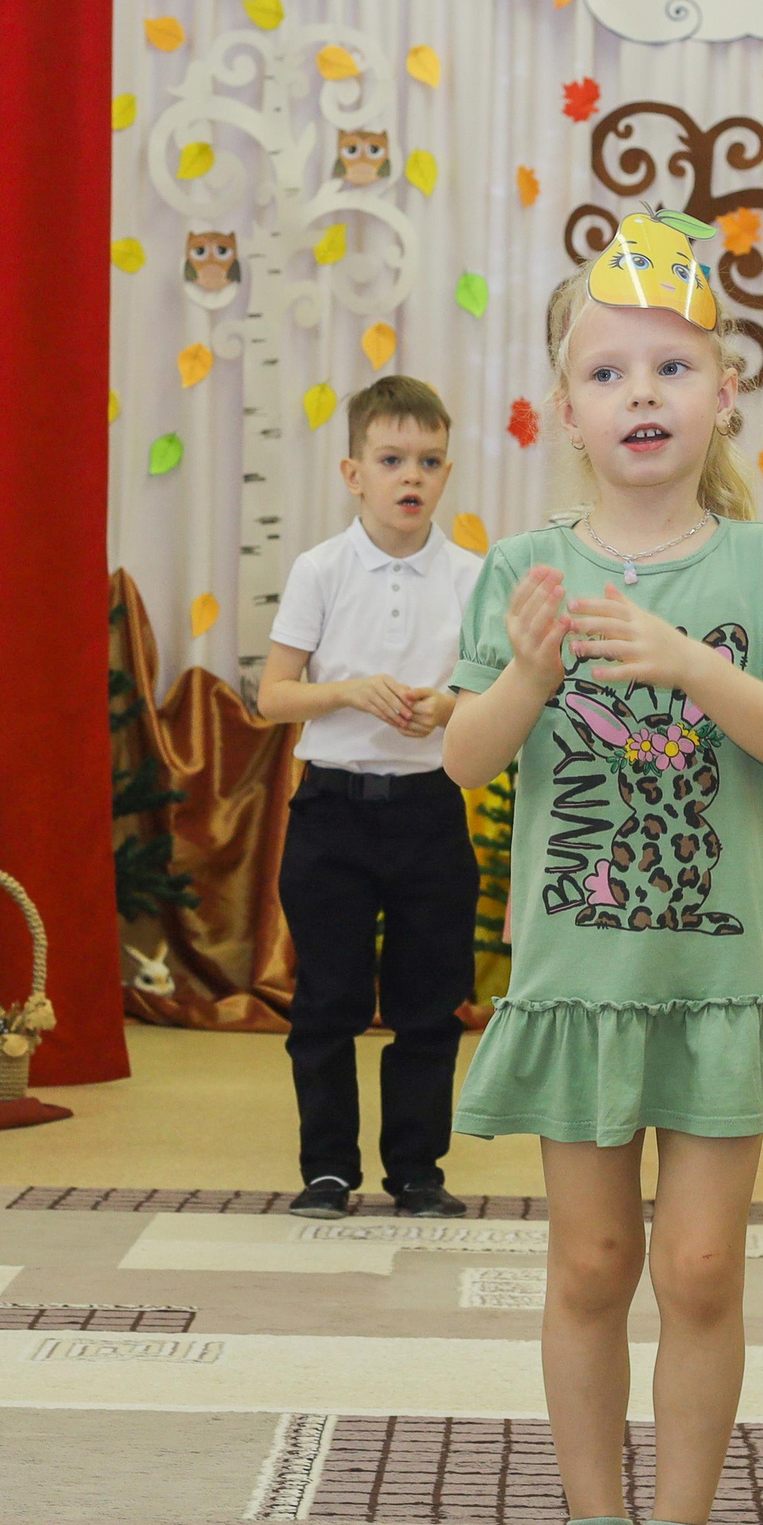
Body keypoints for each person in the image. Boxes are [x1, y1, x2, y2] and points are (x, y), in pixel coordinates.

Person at [441, 214, 763, 1525]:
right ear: (566, 405)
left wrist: (683, 660)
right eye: (610, 373)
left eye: (674, 365)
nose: (644, 395)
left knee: (705, 1264)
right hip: (585, 973)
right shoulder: (520, 569)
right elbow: (467, 758)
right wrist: (535, 667)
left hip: (723, 975)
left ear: (725, 389)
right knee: (592, 1259)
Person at [255, 374, 481, 1222]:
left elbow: (490, 690)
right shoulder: (320, 569)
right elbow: (274, 696)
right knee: (329, 1000)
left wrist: (449, 706)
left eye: (426, 460)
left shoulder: (471, 573)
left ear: (447, 472)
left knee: (429, 1003)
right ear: (355, 473)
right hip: (332, 813)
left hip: (429, 811)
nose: (409, 476)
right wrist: (348, 692)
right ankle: (327, 1170)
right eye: (391, 459)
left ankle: (417, 1171)